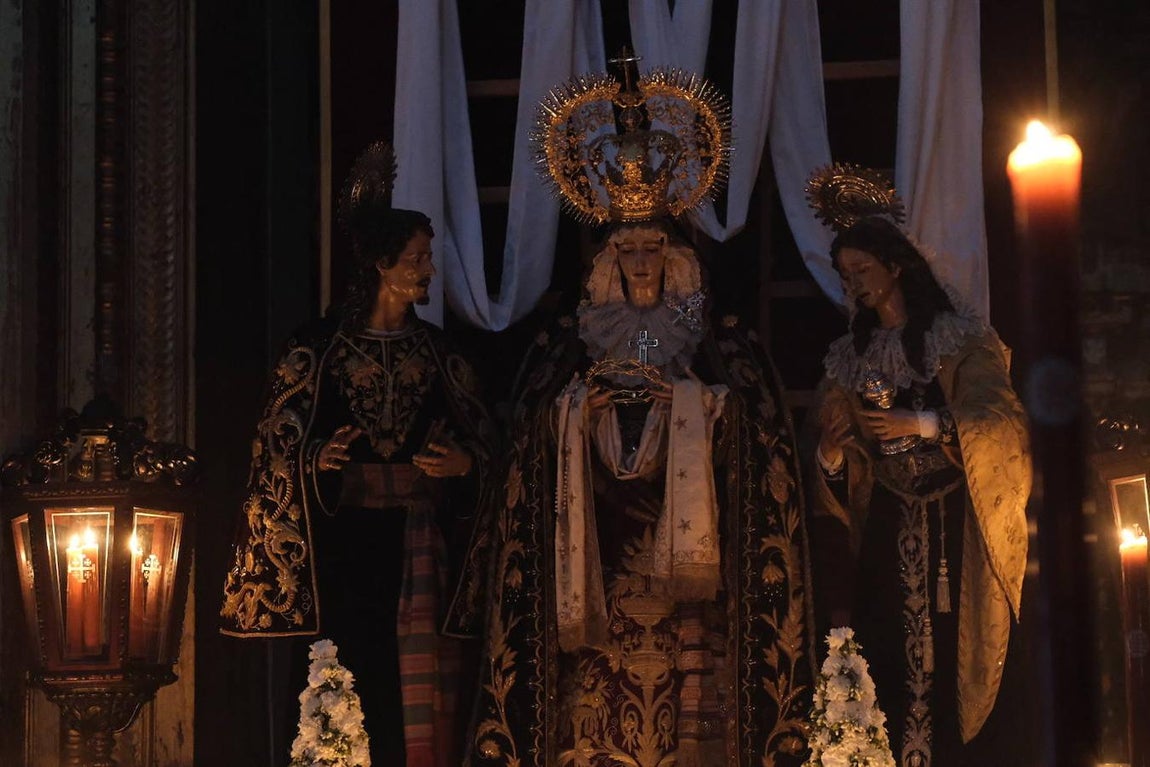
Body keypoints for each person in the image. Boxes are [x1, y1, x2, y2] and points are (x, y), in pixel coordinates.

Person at [465, 217, 813, 767]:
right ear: (610, 261)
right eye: (627, 250)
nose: (641, 262)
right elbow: (528, 434)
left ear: (675, 257)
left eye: (653, 247)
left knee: (691, 695)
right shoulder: (573, 338)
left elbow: (759, 433)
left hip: (688, 556)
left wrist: (701, 408)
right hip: (597, 552)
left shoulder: (714, 335)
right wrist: (574, 416)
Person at [220, 142, 497, 767]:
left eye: (428, 257)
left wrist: (463, 466)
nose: (428, 270)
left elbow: (484, 440)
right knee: (347, 675)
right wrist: (314, 461)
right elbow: (275, 437)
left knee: (419, 689)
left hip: (421, 543)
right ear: (381, 264)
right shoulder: (317, 348)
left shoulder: (439, 353)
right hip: (342, 548)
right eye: (417, 258)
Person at [804, 210, 1032, 767]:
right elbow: (839, 455)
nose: (854, 283)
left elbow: (1002, 421)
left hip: (954, 521)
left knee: (953, 645)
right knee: (882, 644)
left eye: (862, 268)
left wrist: (923, 424)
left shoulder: (958, 339)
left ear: (897, 267)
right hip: (884, 521)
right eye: (845, 274)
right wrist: (832, 452)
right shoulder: (848, 358)